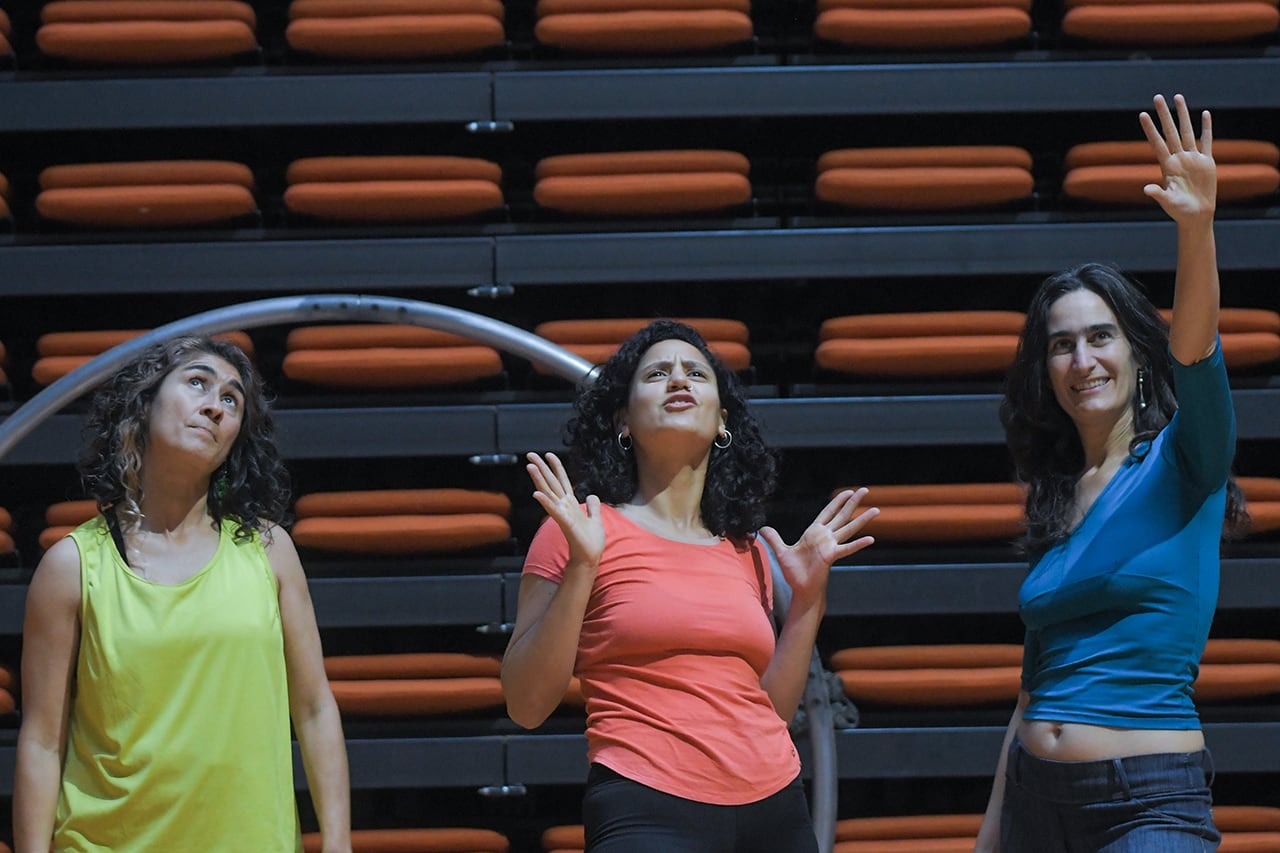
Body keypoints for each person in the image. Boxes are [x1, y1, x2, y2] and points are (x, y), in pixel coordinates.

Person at [975, 94, 1249, 852]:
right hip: (1034, 803)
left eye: (1101, 337)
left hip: (1146, 804)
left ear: (1134, 356)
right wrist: (991, 831)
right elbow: (1033, 686)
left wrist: (1197, 230)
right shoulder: (1056, 498)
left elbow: (1195, 349)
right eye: (1061, 345)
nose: (1081, 359)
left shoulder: (1186, 459)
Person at [501, 319, 878, 853]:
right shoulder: (580, 530)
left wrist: (808, 604)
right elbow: (526, 704)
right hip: (646, 804)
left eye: (696, 373)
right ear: (623, 421)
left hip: (775, 807)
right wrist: (583, 567)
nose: (679, 380)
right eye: (658, 373)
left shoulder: (744, 548)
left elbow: (768, 710)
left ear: (722, 420)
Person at [13, 336, 352, 853]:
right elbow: (41, 741)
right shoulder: (72, 565)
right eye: (197, 383)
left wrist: (338, 842)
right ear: (144, 403)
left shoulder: (269, 550)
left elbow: (314, 708)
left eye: (232, 400)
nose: (215, 406)